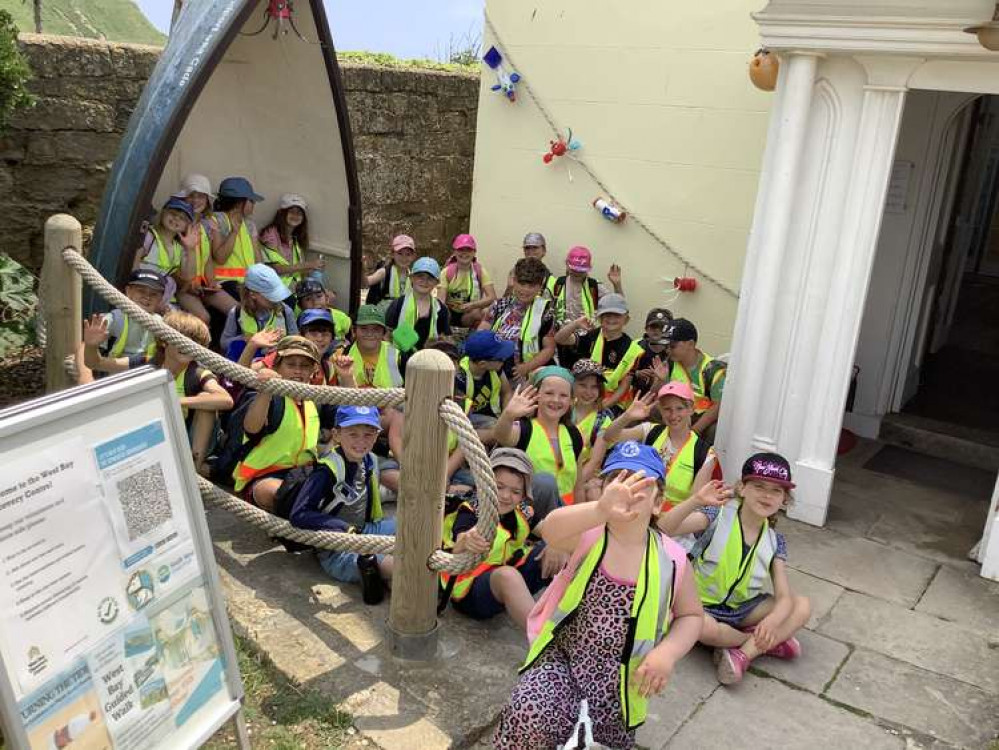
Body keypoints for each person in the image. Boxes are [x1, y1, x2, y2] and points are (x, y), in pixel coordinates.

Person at [493, 442, 704, 750]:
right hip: (562, 658)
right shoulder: (589, 535)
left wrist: (667, 653)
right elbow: (551, 530)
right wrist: (599, 510)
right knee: (530, 710)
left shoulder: (672, 559)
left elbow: (691, 615)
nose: (627, 490)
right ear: (603, 490)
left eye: (640, 482)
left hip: (621, 679)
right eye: (617, 480)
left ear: (658, 502)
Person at [658, 452, 811, 686]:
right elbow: (662, 528)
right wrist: (696, 501)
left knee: (801, 606)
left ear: (784, 500)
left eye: (776, 491)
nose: (767, 495)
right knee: (703, 627)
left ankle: (742, 655)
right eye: (759, 486)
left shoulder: (774, 540)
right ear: (742, 488)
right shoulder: (716, 515)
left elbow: (783, 596)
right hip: (696, 606)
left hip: (739, 609)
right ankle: (758, 642)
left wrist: (771, 622)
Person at [83, 310, 233, 474]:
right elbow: (96, 363)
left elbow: (226, 400)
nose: (187, 345)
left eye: (194, 342)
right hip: (157, 434)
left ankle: (193, 470)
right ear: (164, 341)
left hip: (189, 440)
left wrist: (176, 400)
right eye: (181, 339)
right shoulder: (148, 362)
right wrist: (91, 345)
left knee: (207, 399)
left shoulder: (197, 373)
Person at [440, 448, 565, 629]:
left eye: (515, 491)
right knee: (507, 576)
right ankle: (542, 639)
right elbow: (461, 540)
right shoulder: (471, 510)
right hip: (472, 591)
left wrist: (558, 543)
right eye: (499, 487)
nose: (506, 496)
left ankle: (574, 618)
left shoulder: (523, 510)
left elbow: (550, 530)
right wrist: (467, 540)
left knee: (562, 547)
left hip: (509, 575)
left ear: (524, 495)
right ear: (486, 484)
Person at [288, 406, 396, 604]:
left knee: (411, 526)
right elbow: (299, 514)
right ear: (336, 435)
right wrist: (343, 528)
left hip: (365, 529)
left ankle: (390, 578)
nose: (361, 442)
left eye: (368, 435)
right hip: (336, 549)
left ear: (376, 436)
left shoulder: (370, 460)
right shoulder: (327, 470)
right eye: (353, 434)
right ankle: (394, 577)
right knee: (396, 566)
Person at [232, 336, 322, 511]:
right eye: (291, 364)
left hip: (303, 474)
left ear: (313, 371)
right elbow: (251, 428)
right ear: (277, 366)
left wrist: (347, 377)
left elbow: (352, 418)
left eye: (304, 366)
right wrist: (266, 390)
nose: (298, 371)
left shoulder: (316, 399)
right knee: (282, 494)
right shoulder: (269, 397)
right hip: (264, 476)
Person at [601, 382, 716, 510]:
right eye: (667, 409)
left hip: (673, 521)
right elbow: (609, 437)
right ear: (660, 410)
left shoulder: (706, 453)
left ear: (691, 409)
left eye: (679, 408)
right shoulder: (650, 431)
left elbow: (695, 503)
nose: (673, 415)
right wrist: (627, 416)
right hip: (640, 507)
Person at [493, 367, 585, 506]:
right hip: (530, 513)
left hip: (564, 513)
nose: (556, 400)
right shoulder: (524, 429)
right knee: (545, 481)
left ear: (572, 401)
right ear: (536, 395)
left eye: (563, 395)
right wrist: (508, 415)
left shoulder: (574, 434)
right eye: (549, 393)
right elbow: (500, 435)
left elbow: (578, 486)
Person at [554, 292, 644, 409]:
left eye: (616, 315)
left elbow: (624, 386)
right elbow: (560, 339)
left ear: (626, 319)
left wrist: (602, 407)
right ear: (599, 317)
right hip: (583, 397)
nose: (611, 319)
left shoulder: (632, 349)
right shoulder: (591, 336)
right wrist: (575, 324)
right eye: (607, 315)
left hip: (612, 404)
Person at [172, 173, 237, 324]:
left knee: (237, 310)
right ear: (183, 199)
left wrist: (212, 283)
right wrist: (187, 285)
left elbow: (207, 259)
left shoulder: (206, 225)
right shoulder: (176, 224)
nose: (196, 200)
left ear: (207, 201)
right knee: (203, 318)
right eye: (191, 196)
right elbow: (171, 265)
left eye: (201, 196)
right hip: (182, 288)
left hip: (202, 287)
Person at [79, 269, 167, 377]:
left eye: (153, 294)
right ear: (128, 291)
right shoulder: (114, 319)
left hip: (146, 377)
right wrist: (91, 346)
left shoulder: (163, 325)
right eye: (141, 291)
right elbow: (91, 361)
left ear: (160, 299)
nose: (147, 297)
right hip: (111, 376)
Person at [481, 257, 556, 383]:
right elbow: (482, 331)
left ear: (540, 286)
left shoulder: (546, 311)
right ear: (514, 281)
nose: (525, 290)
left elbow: (549, 349)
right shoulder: (499, 305)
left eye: (531, 285)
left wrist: (526, 368)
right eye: (522, 284)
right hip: (494, 369)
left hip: (528, 374)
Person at [551, 245, 623, 369]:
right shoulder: (557, 284)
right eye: (575, 269)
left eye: (581, 270)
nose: (577, 273)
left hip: (588, 341)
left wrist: (617, 285)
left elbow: (618, 305)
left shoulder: (594, 286)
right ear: (567, 264)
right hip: (561, 340)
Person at [665, 318, 726, 443]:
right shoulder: (670, 362)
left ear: (691, 344)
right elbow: (660, 396)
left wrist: (695, 431)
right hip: (677, 412)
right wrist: (659, 381)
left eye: (672, 346)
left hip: (701, 418)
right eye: (666, 346)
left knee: (714, 431)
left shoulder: (713, 369)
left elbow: (718, 406)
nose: (668, 350)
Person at [220, 264, 297, 360]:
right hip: (246, 363)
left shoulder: (286, 311)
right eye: (270, 295)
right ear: (253, 294)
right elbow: (224, 343)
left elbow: (295, 341)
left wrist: (281, 345)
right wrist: (246, 339)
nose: (275, 300)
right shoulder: (236, 312)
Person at [209, 176, 265, 298]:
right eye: (252, 201)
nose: (254, 205)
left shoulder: (249, 225)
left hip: (248, 284)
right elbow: (220, 258)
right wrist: (233, 232)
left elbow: (259, 261)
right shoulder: (216, 220)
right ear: (240, 203)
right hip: (224, 283)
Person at [384, 256, 451, 356]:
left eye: (430, 278)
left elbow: (444, 338)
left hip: (429, 360)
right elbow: (387, 335)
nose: (424, 281)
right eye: (420, 276)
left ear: (436, 282)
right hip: (399, 359)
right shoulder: (398, 304)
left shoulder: (441, 309)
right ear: (412, 278)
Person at [134, 196, 198, 298]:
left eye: (182, 218)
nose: (176, 219)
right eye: (173, 214)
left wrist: (191, 249)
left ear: (187, 226)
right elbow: (134, 265)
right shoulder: (149, 236)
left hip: (158, 296)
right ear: (163, 213)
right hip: (139, 292)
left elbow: (188, 276)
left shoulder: (179, 247)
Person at [259, 193, 325, 284]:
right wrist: (308, 265)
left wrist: (313, 268)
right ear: (282, 213)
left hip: (294, 287)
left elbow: (299, 270)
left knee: (328, 294)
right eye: (292, 212)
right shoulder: (270, 234)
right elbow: (277, 269)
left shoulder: (296, 237)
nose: (295, 216)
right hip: (275, 289)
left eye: (299, 213)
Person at [333, 304, 403, 389]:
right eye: (364, 328)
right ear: (354, 331)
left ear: (383, 333)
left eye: (376, 329)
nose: (370, 334)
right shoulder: (340, 355)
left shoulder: (399, 356)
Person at [455, 330, 514, 431]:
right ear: (482, 364)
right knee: (496, 429)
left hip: (494, 417)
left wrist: (507, 416)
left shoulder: (495, 369)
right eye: (500, 358)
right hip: (468, 421)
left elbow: (507, 392)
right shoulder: (459, 379)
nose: (504, 360)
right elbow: (460, 418)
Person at [439, 234, 497, 328]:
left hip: (469, 313)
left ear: (474, 252)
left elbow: (492, 297)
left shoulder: (480, 271)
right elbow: (440, 301)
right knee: (440, 311)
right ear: (454, 252)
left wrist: (473, 305)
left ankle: (474, 335)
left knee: (485, 312)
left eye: (468, 250)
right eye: (461, 250)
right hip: (449, 314)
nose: (464, 253)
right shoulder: (447, 272)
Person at [569, 359, 615, 467]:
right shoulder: (562, 408)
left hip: (584, 476)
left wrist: (576, 484)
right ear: (572, 384)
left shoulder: (602, 420)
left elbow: (595, 462)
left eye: (594, 387)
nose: (588, 392)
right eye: (583, 385)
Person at [295, 277, 352, 345]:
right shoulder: (299, 322)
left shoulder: (341, 317)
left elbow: (351, 337)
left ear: (327, 298)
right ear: (300, 305)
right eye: (308, 299)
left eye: (319, 296)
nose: (315, 302)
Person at [365, 234, 416, 306]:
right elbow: (366, 282)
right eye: (400, 253)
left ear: (413, 256)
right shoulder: (384, 272)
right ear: (392, 254)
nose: (404, 258)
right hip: (382, 314)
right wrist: (362, 269)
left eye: (408, 254)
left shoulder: (413, 277)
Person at [633, 307, 673, 394]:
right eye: (653, 326)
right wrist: (636, 373)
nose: (657, 330)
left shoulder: (674, 352)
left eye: (662, 327)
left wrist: (661, 378)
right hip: (634, 399)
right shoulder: (635, 347)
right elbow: (619, 375)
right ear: (646, 329)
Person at [504, 232, 556, 297]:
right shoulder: (515, 272)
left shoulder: (550, 279)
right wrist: (510, 288)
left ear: (544, 250)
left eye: (535, 247)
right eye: (527, 248)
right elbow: (504, 303)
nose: (531, 251)